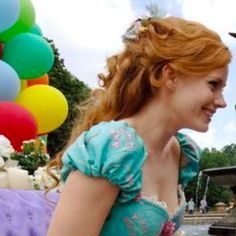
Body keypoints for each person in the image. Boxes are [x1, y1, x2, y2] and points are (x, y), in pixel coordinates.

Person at [47, 16, 231, 236]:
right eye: (213, 85)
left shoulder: (179, 151)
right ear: (170, 76)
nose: (222, 102)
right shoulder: (111, 150)